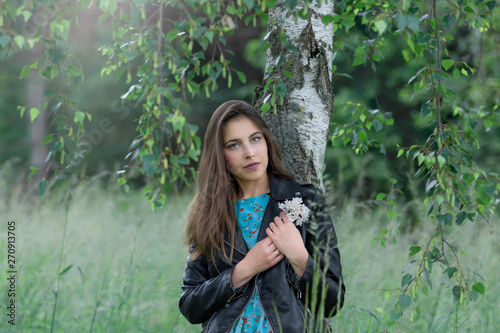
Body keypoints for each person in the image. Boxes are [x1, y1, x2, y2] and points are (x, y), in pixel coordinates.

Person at [179, 100, 345, 332]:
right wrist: (244, 269)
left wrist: (299, 257)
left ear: (267, 141)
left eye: (255, 138)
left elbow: (332, 303)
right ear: (220, 155)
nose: (249, 153)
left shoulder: (305, 201)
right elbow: (190, 306)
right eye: (234, 145)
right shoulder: (209, 214)